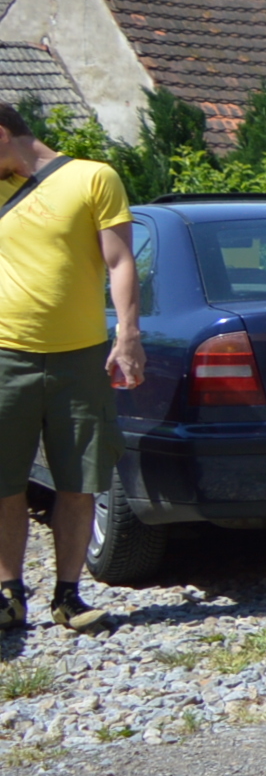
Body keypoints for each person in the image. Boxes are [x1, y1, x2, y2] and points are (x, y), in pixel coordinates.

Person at [0, 105, 142, 634]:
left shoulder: (93, 177)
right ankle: (8, 593)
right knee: (4, 481)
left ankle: (69, 596)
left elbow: (121, 261)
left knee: (79, 481)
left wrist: (128, 335)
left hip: (80, 357)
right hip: (4, 355)